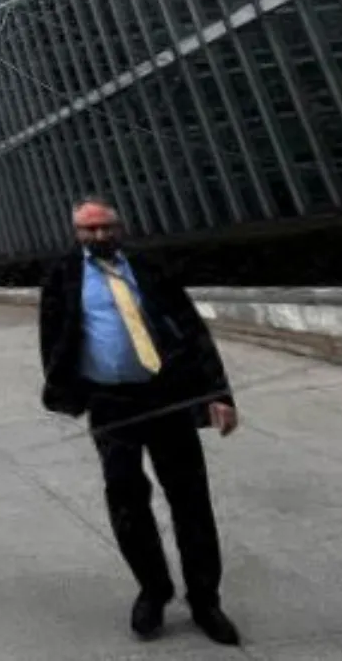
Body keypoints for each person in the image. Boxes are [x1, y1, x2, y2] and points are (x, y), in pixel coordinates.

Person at [38, 196, 243, 647]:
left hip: (166, 395)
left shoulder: (149, 267)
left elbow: (191, 329)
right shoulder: (64, 274)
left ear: (120, 226)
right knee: (127, 501)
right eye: (88, 230)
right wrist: (65, 392)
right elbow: (53, 334)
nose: (99, 236)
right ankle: (153, 590)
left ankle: (205, 599)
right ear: (76, 233)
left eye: (106, 227)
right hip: (110, 403)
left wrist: (217, 394)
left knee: (190, 499)